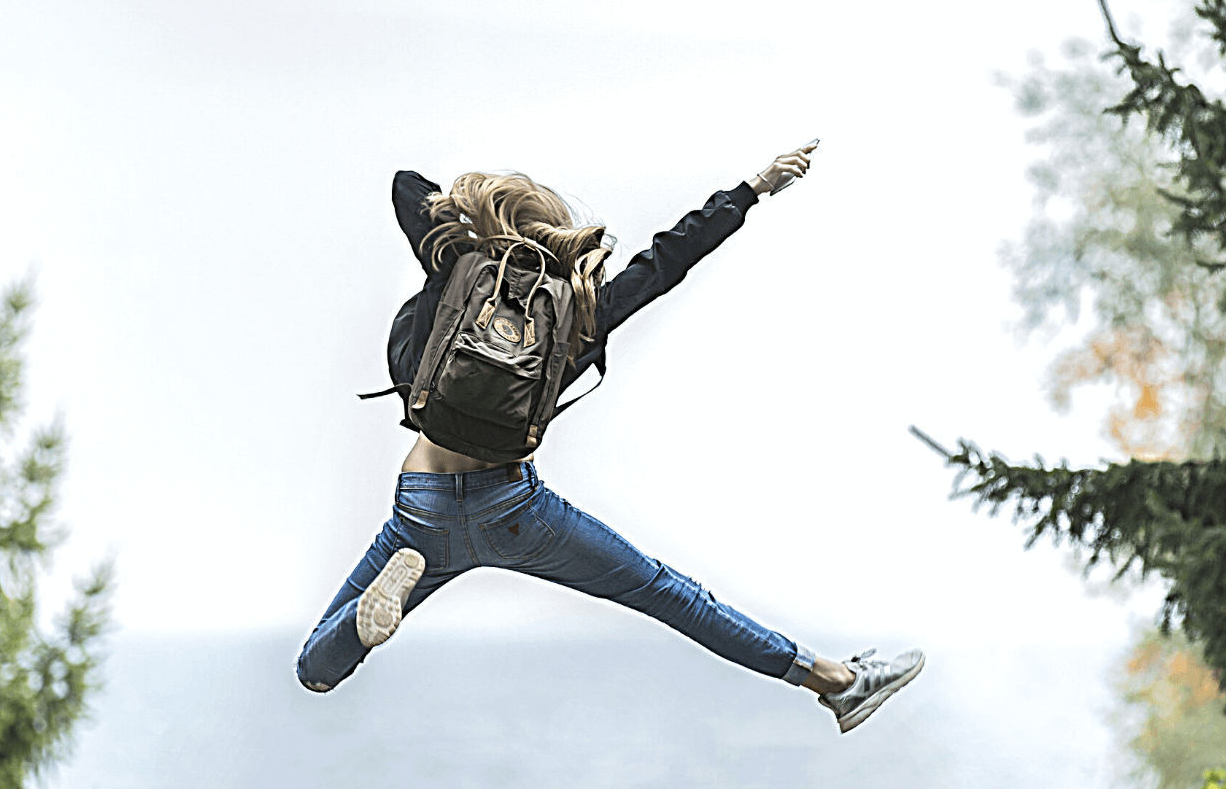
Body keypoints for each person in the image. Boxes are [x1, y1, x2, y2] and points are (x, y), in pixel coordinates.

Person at [296, 143, 924, 733]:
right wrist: (752, 189)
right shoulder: (578, 309)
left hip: (422, 507)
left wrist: (481, 229)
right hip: (514, 510)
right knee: (669, 594)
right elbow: (665, 262)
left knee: (315, 670)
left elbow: (408, 187)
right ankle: (835, 682)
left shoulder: (456, 270)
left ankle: (362, 621)